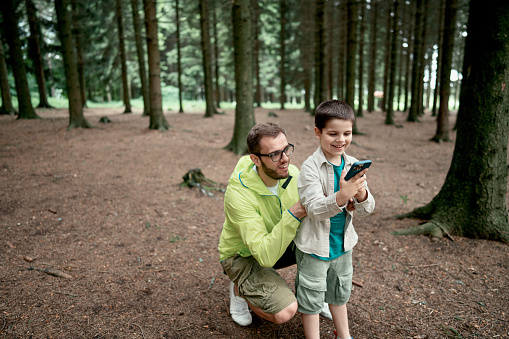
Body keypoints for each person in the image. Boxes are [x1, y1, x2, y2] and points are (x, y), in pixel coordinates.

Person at [219, 122, 332, 326]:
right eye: (275, 154)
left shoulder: (293, 173)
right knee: (284, 312)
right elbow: (264, 255)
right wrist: (295, 212)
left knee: (328, 239)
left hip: (280, 243)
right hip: (245, 255)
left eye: (286, 150)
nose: (285, 159)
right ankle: (239, 290)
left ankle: (313, 293)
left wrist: (342, 200)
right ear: (256, 159)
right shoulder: (238, 194)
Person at [294, 100, 375, 339]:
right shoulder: (310, 167)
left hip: (342, 245)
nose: (341, 140)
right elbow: (315, 209)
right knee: (311, 297)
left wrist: (360, 194)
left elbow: (369, 208)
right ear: (318, 132)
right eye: (333, 133)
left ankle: (344, 335)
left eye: (347, 133)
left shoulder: (352, 164)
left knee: (339, 293)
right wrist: (342, 196)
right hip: (315, 247)